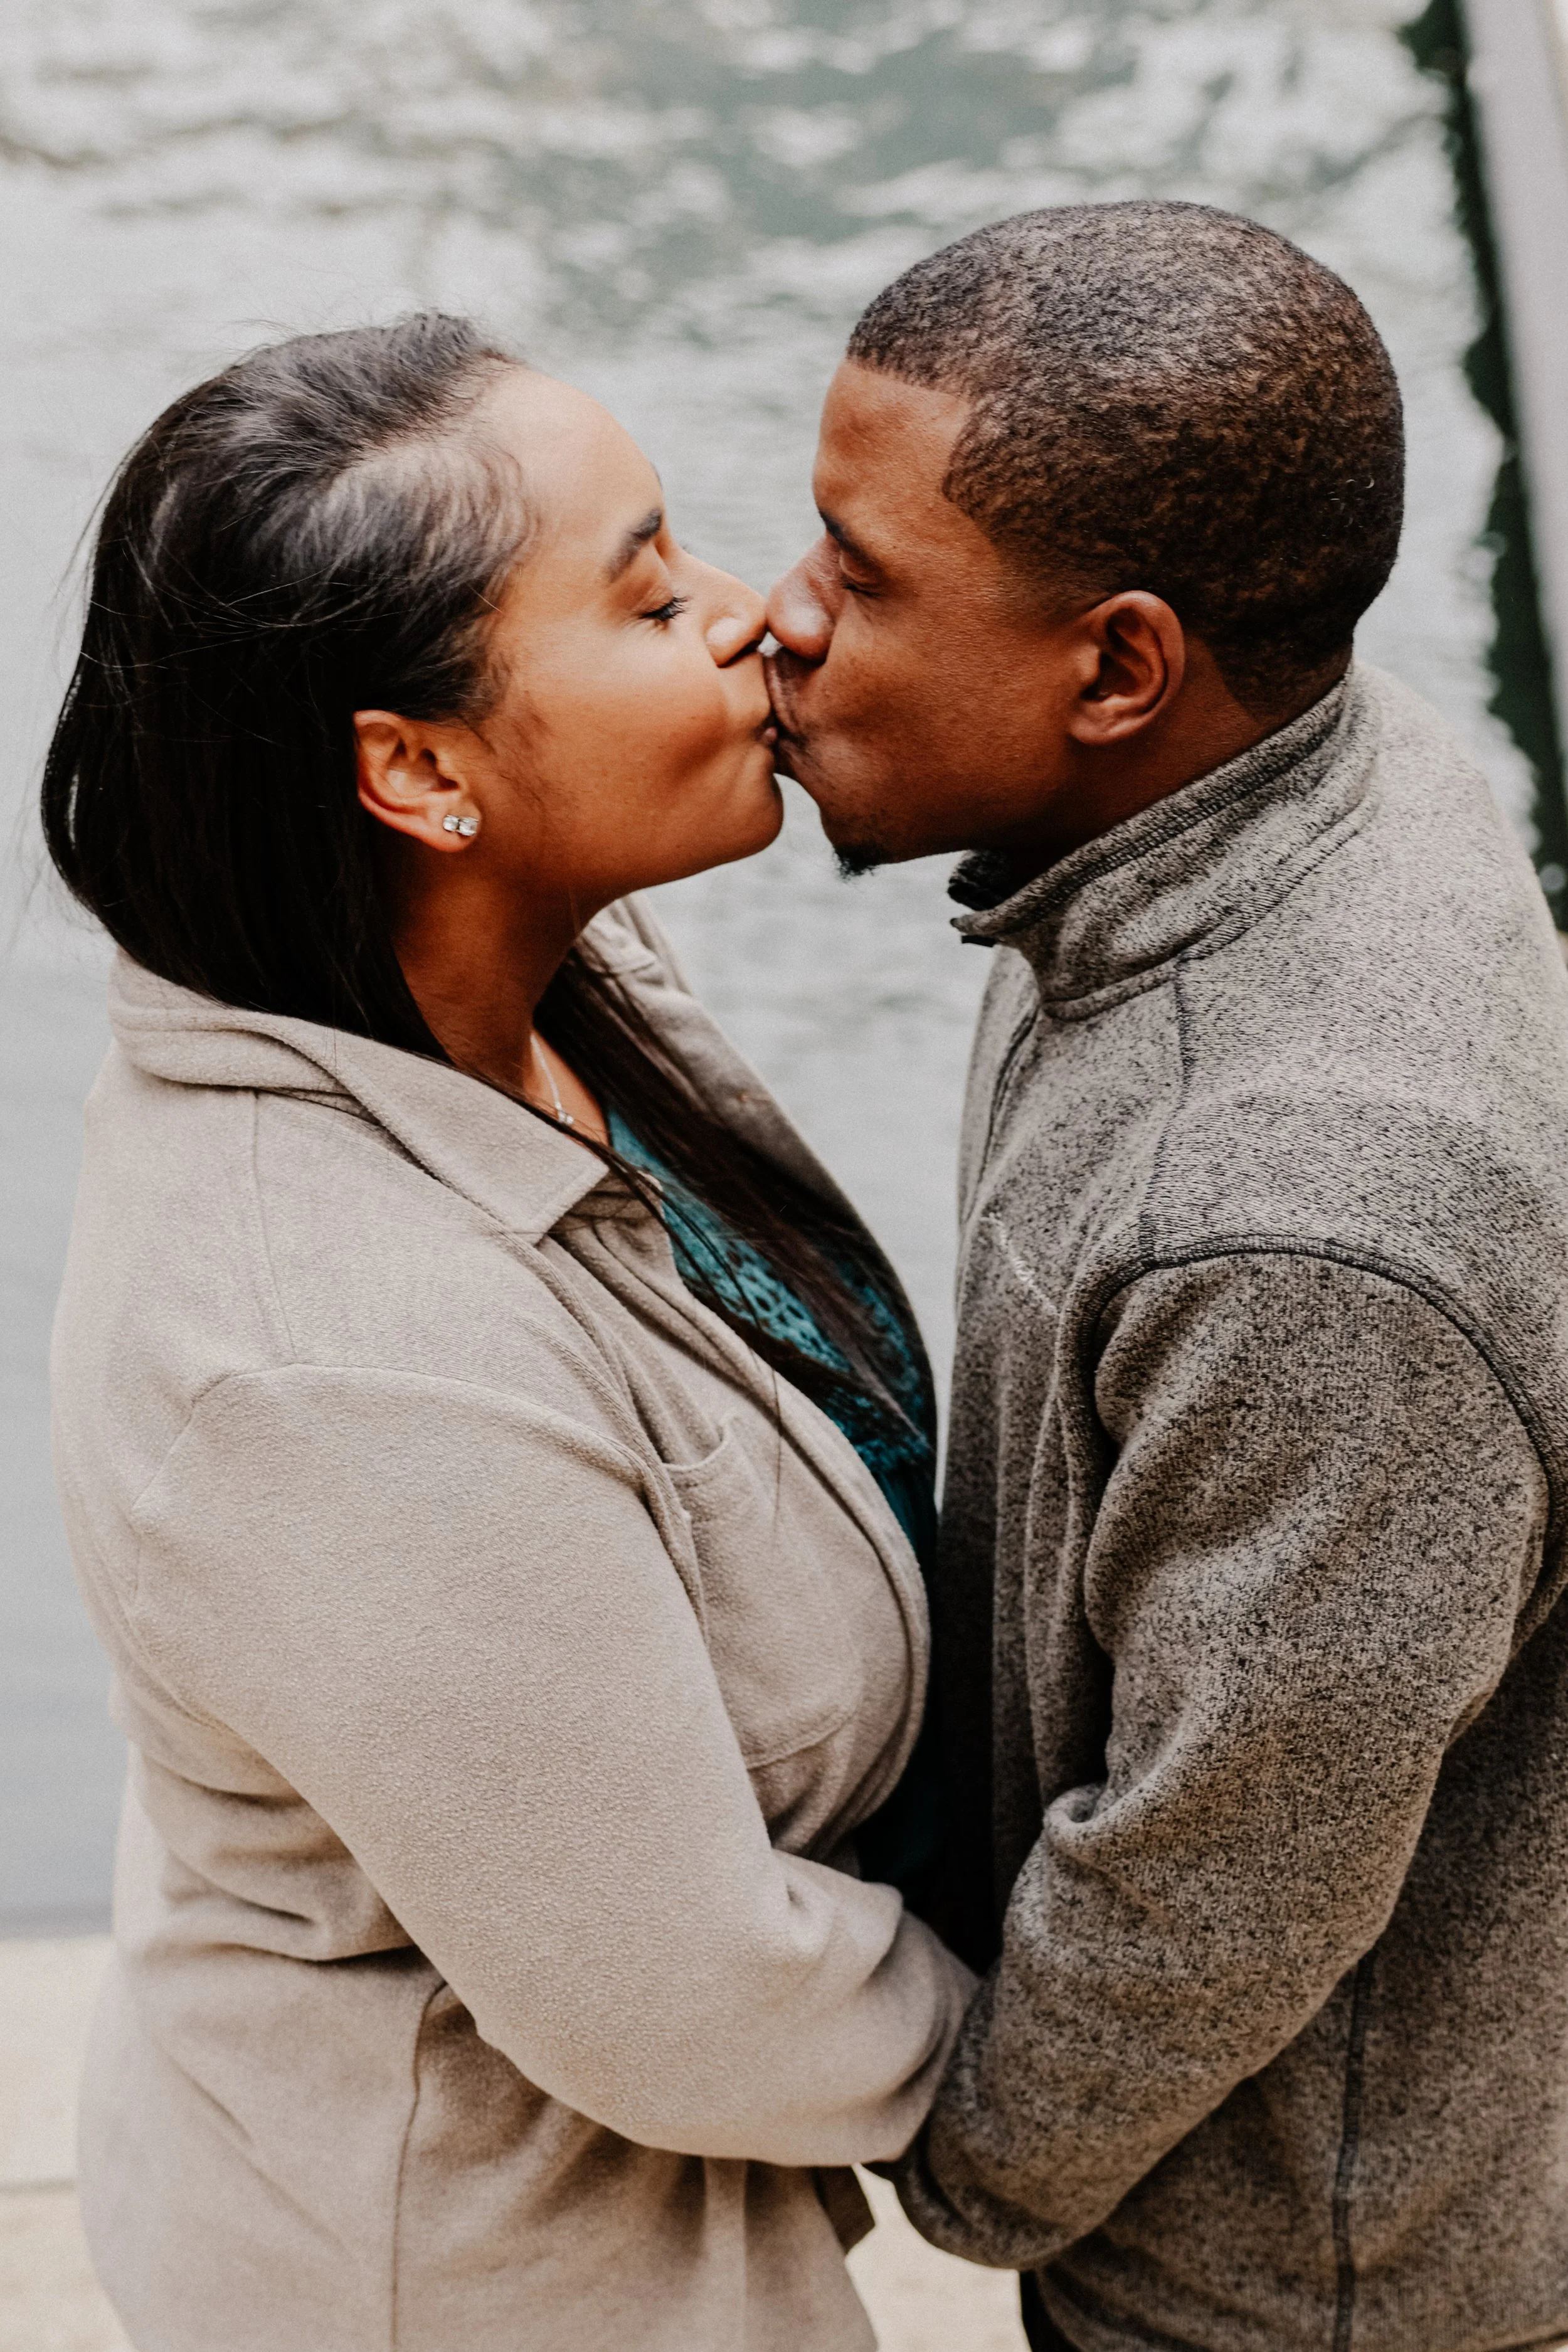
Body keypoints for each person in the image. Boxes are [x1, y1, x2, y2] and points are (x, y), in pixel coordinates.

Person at [43, 314, 974, 2352]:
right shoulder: (341, 1369)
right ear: (417, 772)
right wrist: (1087, 2058)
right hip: (483, 2280)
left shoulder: (526, 977)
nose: (755, 620)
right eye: (649, 596)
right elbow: (682, 1995)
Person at [766, 199, 1568, 2352]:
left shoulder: (1309, 1218)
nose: (780, 625)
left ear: (1119, 666)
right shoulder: (1255, 795)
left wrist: (973, 2165)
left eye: (861, 576)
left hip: (1299, 2280)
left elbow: (1226, 1860)